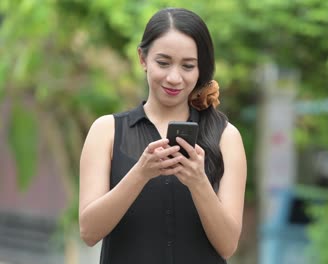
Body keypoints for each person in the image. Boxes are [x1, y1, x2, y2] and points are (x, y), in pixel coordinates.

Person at [78, 7, 247, 264]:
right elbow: (89, 232)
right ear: (143, 59)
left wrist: (198, 182)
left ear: (201, 68)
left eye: (188, 66)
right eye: (163, 62)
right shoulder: (107, 131)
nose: (174, 77)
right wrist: (140, 173)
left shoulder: (226, 137)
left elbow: (227, 245)